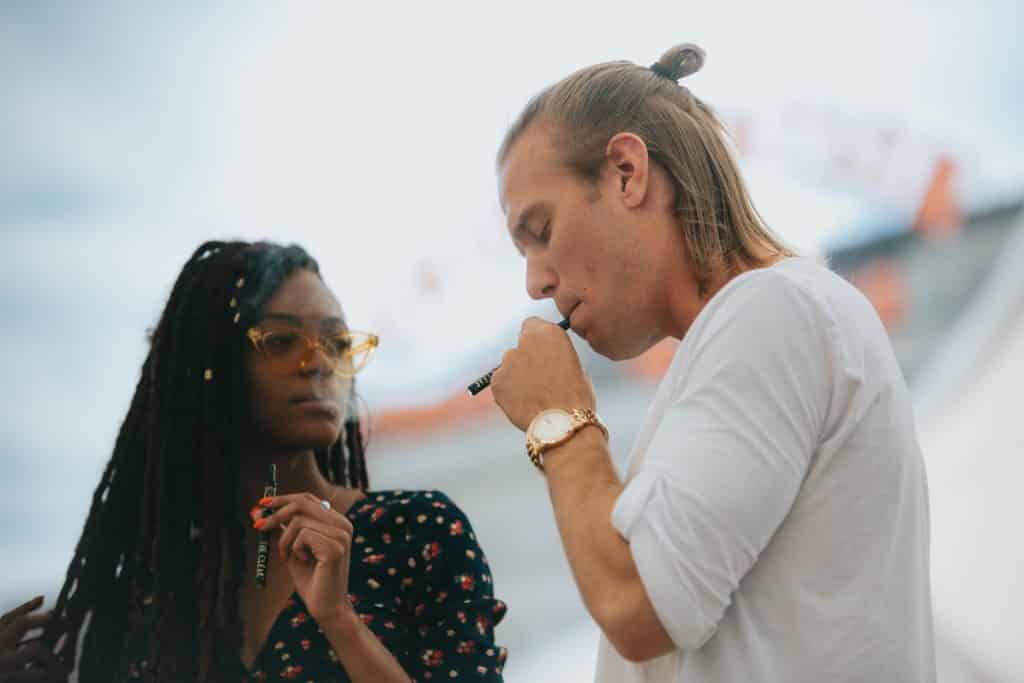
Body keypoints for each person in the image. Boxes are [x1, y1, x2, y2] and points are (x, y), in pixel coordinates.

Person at [490, 43, 935, 682]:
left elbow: (638, 603)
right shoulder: (772, 320)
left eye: (541, 229)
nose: (535, 282)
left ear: (625, 170)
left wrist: (558, 420)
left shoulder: (773, 314)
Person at [0, 240, 507, 682]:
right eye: (282, 341)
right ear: (208, 365)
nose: (317, 362)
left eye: (336, 342)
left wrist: (340, 622)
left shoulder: (414, 532)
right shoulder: (153, 594)